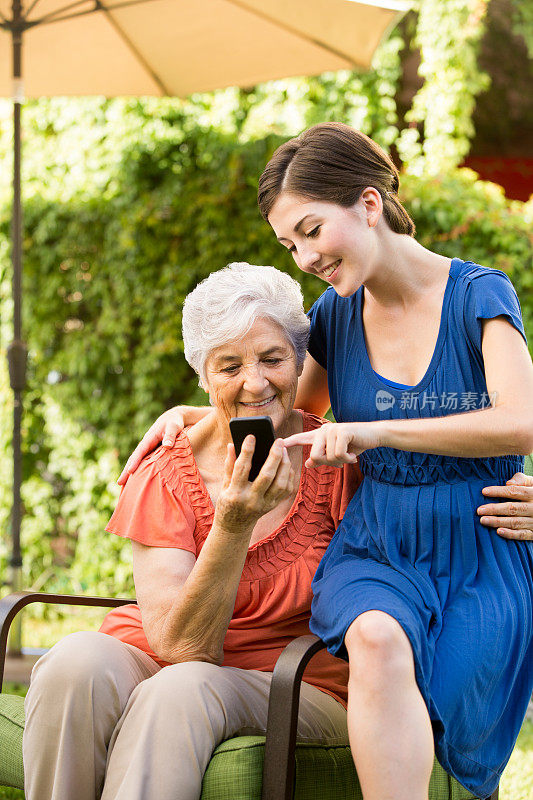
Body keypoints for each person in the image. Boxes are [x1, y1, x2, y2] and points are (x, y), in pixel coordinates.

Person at [120, 123, 533, 800]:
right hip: (377, 547)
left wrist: (375, 432)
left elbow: (517, 420)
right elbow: (282, 407)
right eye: (289, 243)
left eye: (311, 230)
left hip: (477, 547)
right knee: (372, 636)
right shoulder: (335, 316)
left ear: (367, 204)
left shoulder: (477, 296)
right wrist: (193, 413)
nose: (304, 255)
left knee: (453, 710)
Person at [23, 263, 356, 800]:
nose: (255, 382)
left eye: (273, 358)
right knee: (74, 663)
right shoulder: (165, 471)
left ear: (299, 364)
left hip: (297, 679)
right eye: (229, 366)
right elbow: (180, 645)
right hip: (172, 651)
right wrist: (233, 523)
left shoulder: (339, 460)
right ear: (202, 377)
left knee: (181, 689)